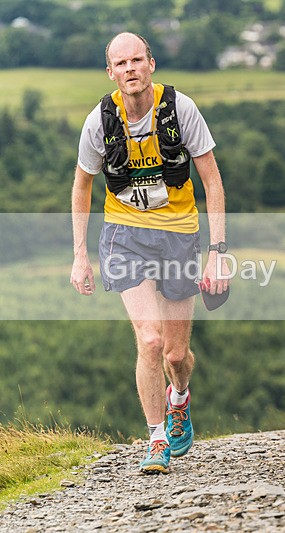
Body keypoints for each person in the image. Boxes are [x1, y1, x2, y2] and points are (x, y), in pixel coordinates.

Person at [70, 32, 230, 473]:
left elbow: (212, 182)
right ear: (110, 72)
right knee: (150, 339)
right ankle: (156, 438)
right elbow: (82, 185)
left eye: (136, 60)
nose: (130, 69)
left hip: (179, 235)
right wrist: (80, 254)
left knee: (176, 355)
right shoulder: (99, 121)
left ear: (151, 64)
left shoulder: (181, 109)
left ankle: (180, 398)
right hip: (125, 235)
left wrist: (218, 251)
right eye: (120, 63)